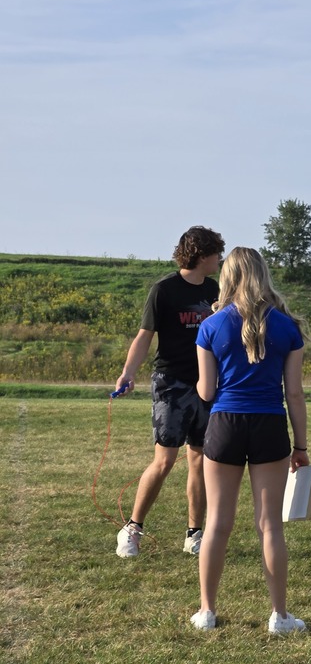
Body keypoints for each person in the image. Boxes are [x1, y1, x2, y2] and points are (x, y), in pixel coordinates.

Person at [191, 246, 309, 635]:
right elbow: (294, 394)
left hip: (224, 423)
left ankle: (207, 611)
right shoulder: (286, 326)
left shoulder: (211, 326)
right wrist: (301, 446)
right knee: (269, 525)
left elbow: (206, 392)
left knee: (216, 524)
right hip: (270, 424)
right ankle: (279, 615)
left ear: (228, 277)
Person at [114, 225, 225, 558]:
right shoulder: (164, 290)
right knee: (164, 461)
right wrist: (128, 373)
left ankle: (194, 534)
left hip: (207, 384)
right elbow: (145, 335)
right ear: (202, 255)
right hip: (171, 384)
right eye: (216, 252)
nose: (220, 258)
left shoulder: (215, 288)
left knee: (201, 460)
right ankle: (132, 528)